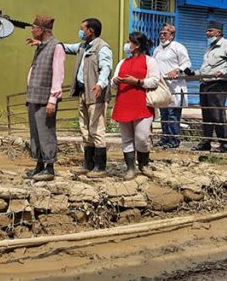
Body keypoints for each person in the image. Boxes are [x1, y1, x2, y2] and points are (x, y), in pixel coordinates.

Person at [63, 18, 113, 178]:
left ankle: (100, 167)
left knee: (96, 129)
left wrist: (100, 84)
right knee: (84, 128)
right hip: (83, 93)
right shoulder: (82, 47)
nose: (80, 32)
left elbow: (106, 67)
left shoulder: (102, 47)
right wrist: (47, 43)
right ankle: (88, 164)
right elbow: (65, 47)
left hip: (96, 94)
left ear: (90, 31)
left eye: (82, 29)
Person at [111, 32, 161, 179]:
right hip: (123, 102)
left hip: (142, 104)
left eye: (129, 42)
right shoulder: (122, 62)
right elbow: (112, 84)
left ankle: (144, 164)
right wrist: (115, 81)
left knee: (142, 136)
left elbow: (155, 81)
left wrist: (137, 81)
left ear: (137, 45)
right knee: (126, 137)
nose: (126, 45)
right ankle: (130, 168)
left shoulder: (149, 61)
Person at [189, 21, 227, 153]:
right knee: (206, 114)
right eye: (207, 31)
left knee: (217, 114)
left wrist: (224, 71)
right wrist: (194, 73)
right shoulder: (209, 48)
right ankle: (206, 142)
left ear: (218, 33)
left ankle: (225, 145)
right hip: (205, 83)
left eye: (210, 31)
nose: (207, 33)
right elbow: (206, 68)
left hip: (218, 84)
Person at [24, 14, 66, 181]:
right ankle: (39, 164)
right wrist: (39, 43)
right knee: (35, 133)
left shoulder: (57, 47)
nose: (32, 31)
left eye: (33, 28)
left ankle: (49, 168)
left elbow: (58, 75)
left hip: (45, 98)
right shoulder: (42, 45)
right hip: (33, 96)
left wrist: (52, 100)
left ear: (41, 30)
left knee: (46, 133)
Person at [152, 23, 191, 148]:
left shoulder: (178, 47)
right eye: (161, 33)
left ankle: (174, 140)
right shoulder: (157, 49)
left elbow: (187, 63)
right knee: (164, 114)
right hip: (162, 87)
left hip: (175, 86)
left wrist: (177, 70)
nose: (162, 35)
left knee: (173, 114)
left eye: (165, 33)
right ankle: (165, 138)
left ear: (172, 35)